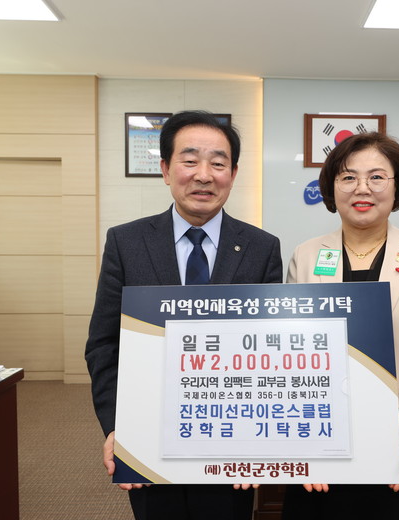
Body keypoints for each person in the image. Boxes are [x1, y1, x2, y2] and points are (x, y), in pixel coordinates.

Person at [85, 110, 283, 520]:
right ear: (165, 169)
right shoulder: (126, 242)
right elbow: (104, 344)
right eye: (190, 160)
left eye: (218, 163)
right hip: (149, 432)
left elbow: (270, 350)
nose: (204, 175)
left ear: (233, 173)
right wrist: (118, 426)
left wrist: (260, 439)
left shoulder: (262, 248)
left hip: (233, 438)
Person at [282, 132, 399, 520]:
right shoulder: (307, 255)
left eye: (377, 177)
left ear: (397, 187)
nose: (362, 188)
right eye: (348, 177)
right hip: (324, 437)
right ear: (332, 187)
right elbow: (290, 350)